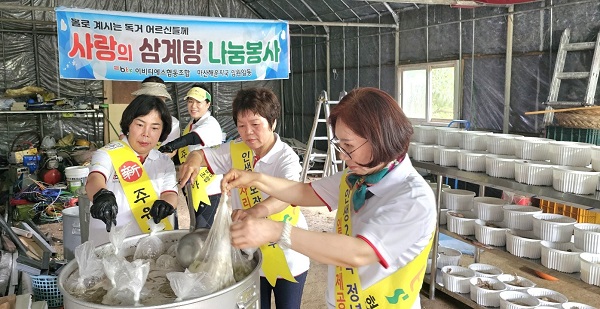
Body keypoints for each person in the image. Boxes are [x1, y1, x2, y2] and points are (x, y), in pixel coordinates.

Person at [211, 87, 437, 309]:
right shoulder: (357, 178)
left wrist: (275, 230)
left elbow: (357, 252)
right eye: (339, 144)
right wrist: (255, 178)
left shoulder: (412, 199)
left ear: (380, 138)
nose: (341, 154)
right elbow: (304, 192)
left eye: (348, 145)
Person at [178, 87, 309, 309]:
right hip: (250, 254)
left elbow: (287, 195)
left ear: (273, 122)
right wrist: (192, 159)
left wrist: (253, 212)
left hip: (287, 252)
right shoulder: (236, 149)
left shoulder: (286, 157)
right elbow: (202, 154)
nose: (248, 132)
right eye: (241, 125)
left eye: (256, 124)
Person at [86, 95, 179, 245]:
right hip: (109, 244)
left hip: (149, 244)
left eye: (154, 128)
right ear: (129, 124)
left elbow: (170, 193)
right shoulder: (107, 153)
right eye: (140, 125)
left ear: (162, 132)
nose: (146, 133)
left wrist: (166, 204)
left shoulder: (164, 162)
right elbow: (95, 178)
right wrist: (101, 196)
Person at [158, 85, 223, 229]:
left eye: (198, 102)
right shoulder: (191, 124)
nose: (193, 106)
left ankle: (204, 251)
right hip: (193, 183)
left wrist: (171, 145)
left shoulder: (210, 123)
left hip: (208, 187)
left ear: (208, 104)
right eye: (190, 101)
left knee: (202, 227)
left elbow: (193, 138)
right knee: (194, 224)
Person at [130, 76, 180, 152]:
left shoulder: (173, 123)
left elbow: (171, 150)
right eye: (140, 125)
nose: (154, 103)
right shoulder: (131, 117)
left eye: (159, 99)